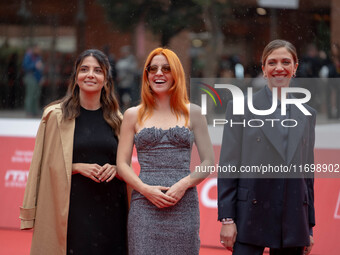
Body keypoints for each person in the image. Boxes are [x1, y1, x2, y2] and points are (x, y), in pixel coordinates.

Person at [20, 49, 128, 254]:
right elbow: (40, 167)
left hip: (112, 208)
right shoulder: (54, 116)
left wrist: (116, 169)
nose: (90, 75)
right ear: (76, 77)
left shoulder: (118, 120)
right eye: (84, 69)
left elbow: (126, 166)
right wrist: (76, 167)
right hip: (71, 209)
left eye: (98, 70)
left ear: (106, 79)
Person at [218, 40, 316, 255]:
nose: (279, 68)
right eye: (272, 62)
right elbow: (228, 164)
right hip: (250, 214)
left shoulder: (307, 114)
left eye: (285, 62)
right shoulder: (240, 108)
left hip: (292, 218)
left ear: (295, 68)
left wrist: (308, 226)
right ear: (263, 69)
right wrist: (227, 218)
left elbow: (307, 173)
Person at [117, 48, 214, 255]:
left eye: (166, 68)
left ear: (176, 74)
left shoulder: (194, 113)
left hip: (184, 205)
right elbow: (122, 165)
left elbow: (208, 162)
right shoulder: (132, 115)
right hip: (144, 207)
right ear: (146, 75)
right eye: (153, 69)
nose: (158, 73)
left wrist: (184, 184)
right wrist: (145, 190)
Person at [22, 45, 44, 117]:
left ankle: (35, 111)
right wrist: (35, 65)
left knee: (36, 95)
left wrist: (41, 78)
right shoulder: (28, 56)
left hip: (37, 78)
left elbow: (40, 68)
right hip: (31, 77)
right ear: (34, 49)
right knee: (30, 95)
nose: (39, 51)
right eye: (38, 49)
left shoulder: (38, 57)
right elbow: (25, 67)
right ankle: (29, 111)